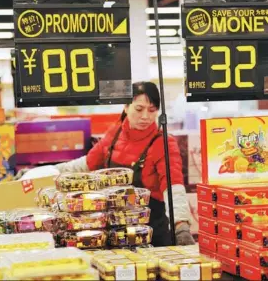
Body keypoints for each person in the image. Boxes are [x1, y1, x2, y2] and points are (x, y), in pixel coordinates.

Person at [16, 81, 195, 246]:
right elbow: (86, 164)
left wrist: (181, 226)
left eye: (152, 109)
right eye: (139, 109)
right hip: (114, 231)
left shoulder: (163, 143)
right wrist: (46, 171)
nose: (146, 116)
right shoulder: (115, 133)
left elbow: (173, 187)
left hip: (150, 233)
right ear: (126, 107)